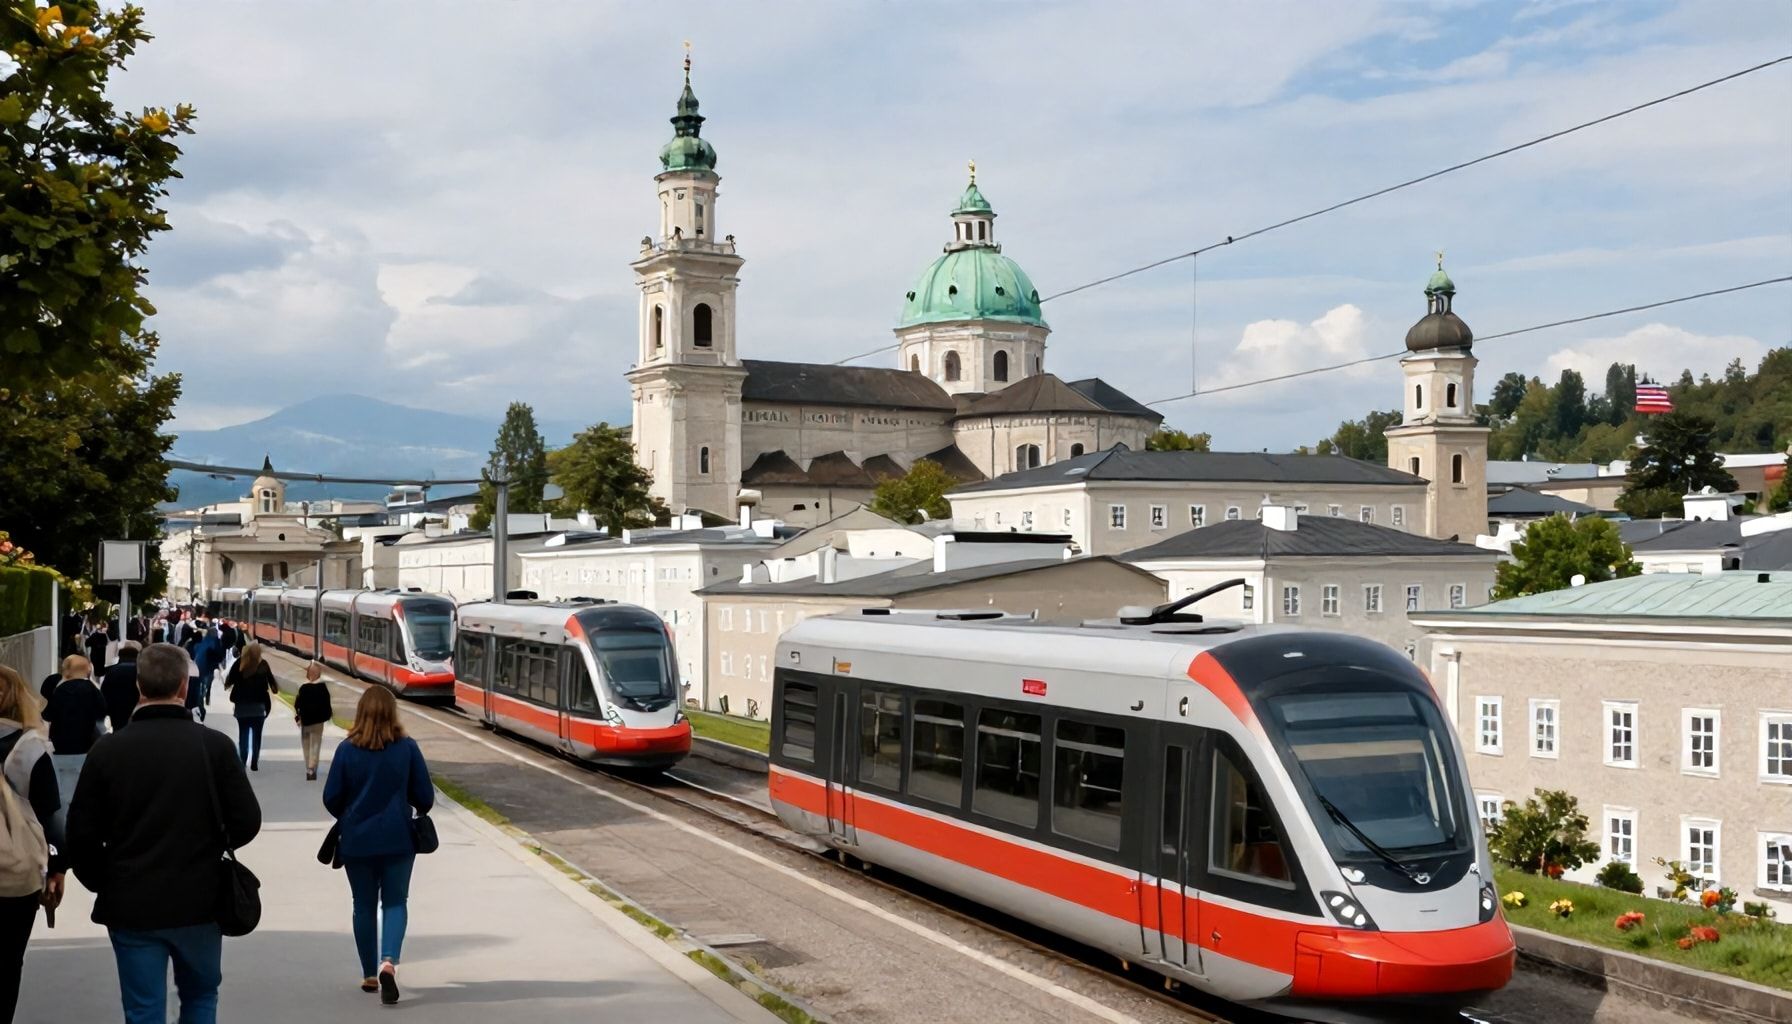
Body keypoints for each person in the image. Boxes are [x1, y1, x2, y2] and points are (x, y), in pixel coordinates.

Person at [66, 643, 261, 1024]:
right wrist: (213, 843)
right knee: (201, 995)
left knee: (143, 1009)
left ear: (140, 686)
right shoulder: (214, 747)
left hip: (131, 901)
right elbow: (247, 821)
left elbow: (80, 834)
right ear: (184, 688)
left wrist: (102, 881)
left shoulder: (108, 751)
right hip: (201, 899)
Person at [323, 687, 432, 1004]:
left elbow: (331, 797)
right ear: (392, 713)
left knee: (363, 905)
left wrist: (351, 813)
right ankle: (389, 962)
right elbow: (424, 797)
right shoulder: (407, 748)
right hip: (398, 838)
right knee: (396, 902)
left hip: (357, 840)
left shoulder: (347, 750)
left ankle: (370, 974)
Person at [0, 666, 65, 1022]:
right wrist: (57, 868)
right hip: (15, 876)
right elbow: (50, 818)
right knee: (8, 961)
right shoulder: (29, 749)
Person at [221, 644, 276, 770]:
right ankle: (254, 763)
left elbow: (229, 681)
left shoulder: (239, 663)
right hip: (259, 707)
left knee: (243, 734)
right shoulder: (263, 665)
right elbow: (273, 684)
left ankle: (243, 760)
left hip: (242, 707)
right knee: (257, 736)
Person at [43, 657, 107, 756]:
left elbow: (48, 715)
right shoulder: (93, 689)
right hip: (86, 740)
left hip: (62, 742)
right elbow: (102, 711)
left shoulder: (60, 690)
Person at [294, 662, 333, 782]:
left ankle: (308, 767)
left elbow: (297, 705)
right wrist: (327, 716)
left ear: (308, 674)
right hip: (318, 723)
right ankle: (312, 767)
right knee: (315, 745)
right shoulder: (323, 688)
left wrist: (298, 717)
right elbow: (327, 706)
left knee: (306, 745)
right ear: (319, 675)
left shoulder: (303, 688)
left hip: (306, 722)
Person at [99, 643, 142, 733]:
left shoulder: (112, 670)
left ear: (120, 656)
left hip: (116, 709)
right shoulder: (140, 671)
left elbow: (104, 691)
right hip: (135, 708)